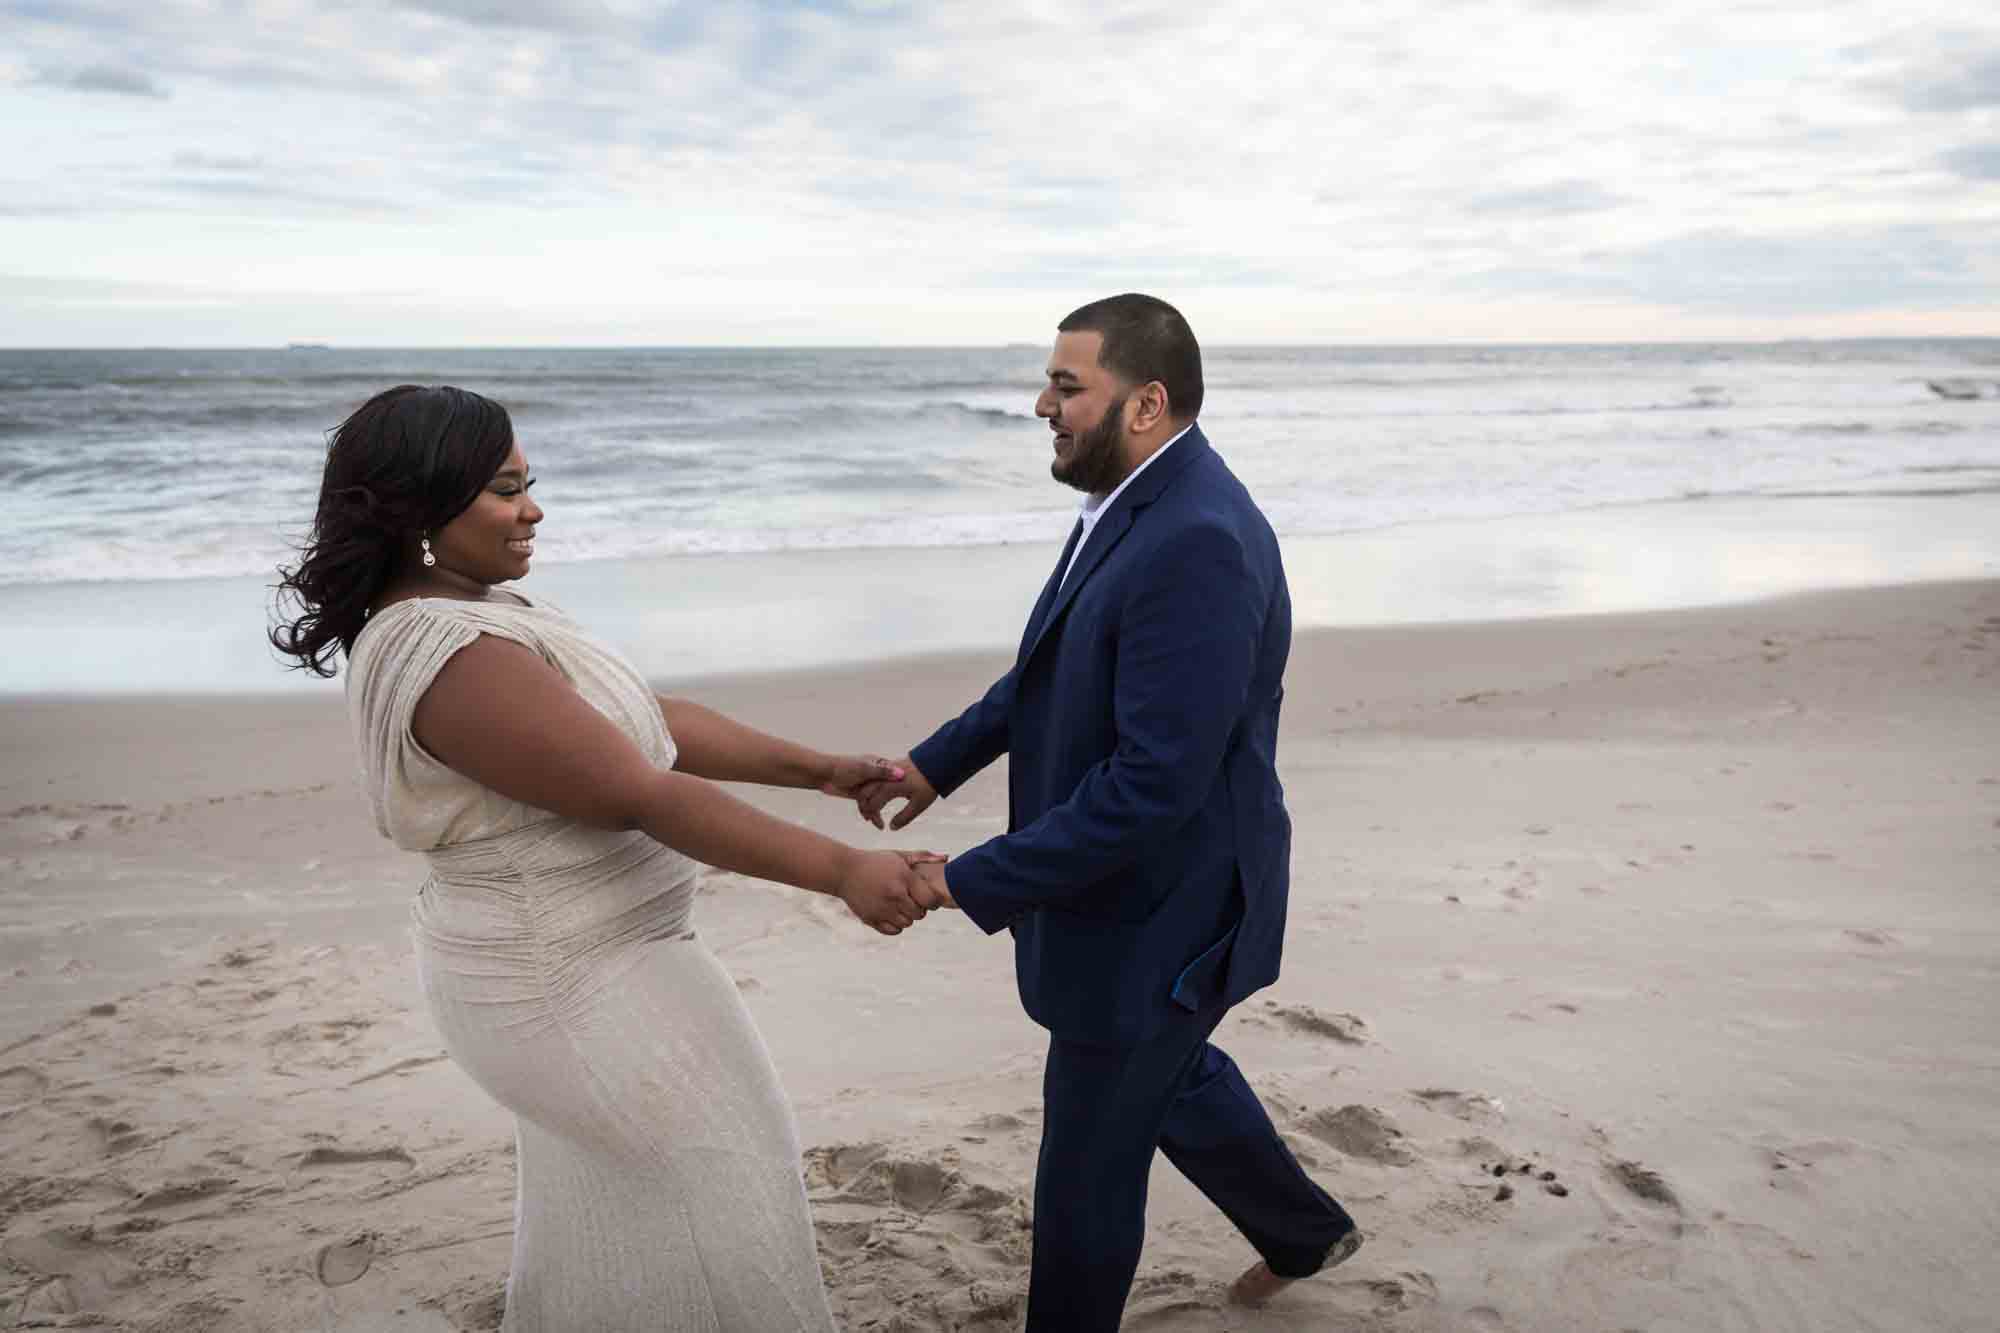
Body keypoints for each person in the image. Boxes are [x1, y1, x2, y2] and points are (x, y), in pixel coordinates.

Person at [271, 384, 943, 1332]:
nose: (533, 508)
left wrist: (815, 768)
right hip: (566, 982)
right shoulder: (447, 649)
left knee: (608, 1219)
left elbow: (642, 720)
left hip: (598, 959)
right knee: (734, 1186)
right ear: (423, 508)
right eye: (505, 490)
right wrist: (840, 870)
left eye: (528, 483)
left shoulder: (482, 610)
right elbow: (638, 789)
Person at [855, 295, 1360, 1329]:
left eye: (1065, 384)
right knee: (1166, 1072)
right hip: (1122, 888)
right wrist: (929, 765)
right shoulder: (1129, 504)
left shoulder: (1198, 539)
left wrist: (968, 876)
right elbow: (1043, 676)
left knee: (1086, 1165)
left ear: (1147, 401)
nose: (1041, 403)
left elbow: (1153, 786)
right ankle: (1304, 1231)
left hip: (1163, 906)